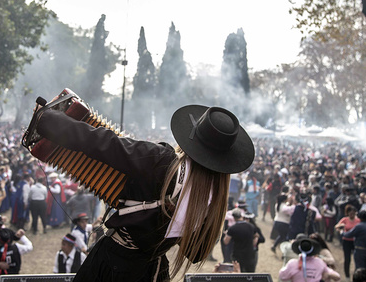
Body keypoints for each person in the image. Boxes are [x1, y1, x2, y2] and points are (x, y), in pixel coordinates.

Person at [33, 103, 255, 281]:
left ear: (193, 137)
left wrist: (47, 119)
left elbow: (102, 142)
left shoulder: (162, 162)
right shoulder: (213, 201)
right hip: (152, 271)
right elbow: (195, 253)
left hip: (111, 265)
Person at [223, 208, 258, 272]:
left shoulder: (232, 228)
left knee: (239, 274)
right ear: (241, 216)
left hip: (237, 255)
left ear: (234, 217)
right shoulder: (251, 226)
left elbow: (226, 241)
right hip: (249, 254)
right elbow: (256, 236)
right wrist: (252, 244)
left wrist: (226, 234)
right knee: (250, 274)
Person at [336, 204, 361, 280]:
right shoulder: (345, 219)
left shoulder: (358, 220)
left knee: (357, 258)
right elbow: (337, 226)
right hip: (346, 241)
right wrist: (341, 228)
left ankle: (357, 274)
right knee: (347, 259)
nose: (352, 215)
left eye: (353, 213)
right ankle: (347, 275)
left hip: (355, 241)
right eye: (350, 213)